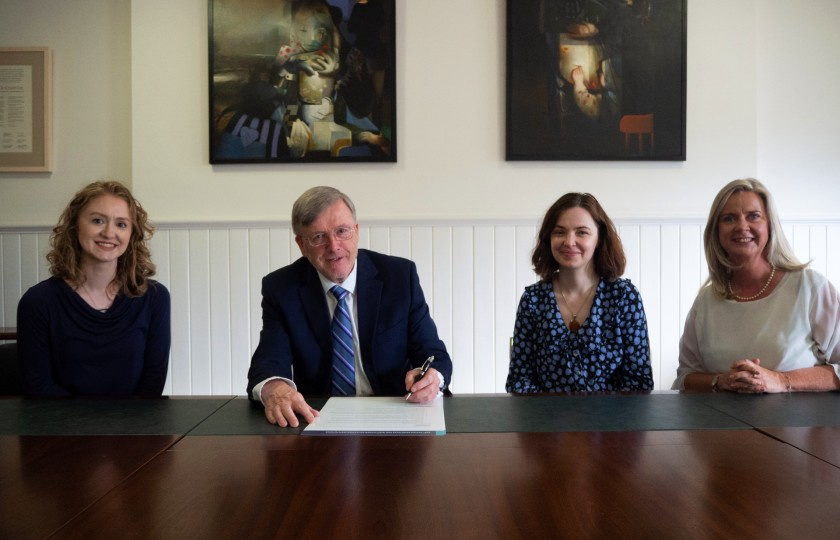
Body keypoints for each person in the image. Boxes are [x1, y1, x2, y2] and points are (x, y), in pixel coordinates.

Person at [247, 186, 453, 427]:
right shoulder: (282, 288)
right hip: (318, 418)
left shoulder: (399, 276)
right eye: (318, 237)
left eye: (342, 231)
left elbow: (433, 353)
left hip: (398, 415)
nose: (333, 246)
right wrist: (275, 388)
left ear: (356, 231)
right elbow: (270, 359)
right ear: (301, 245)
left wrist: (432, 378)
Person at [673, 178, 840, 393]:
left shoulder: (810, 287)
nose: (742, 226)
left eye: (753, 216)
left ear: (770, 225)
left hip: (801, 425)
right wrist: (721, 381)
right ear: (717, 232)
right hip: (720, 426)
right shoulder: (706, 301)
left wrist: (780, 381)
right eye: (729, 218)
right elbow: (685, 378)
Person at [17, 180, 171, 396]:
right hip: (60, 426)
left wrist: (123, 426)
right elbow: (38, 386)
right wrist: (90, 426)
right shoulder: (38, 301)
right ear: (75, 226)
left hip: (134, 426)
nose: (109, 233)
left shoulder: (155, 297)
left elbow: (152, 382)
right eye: (98, 220)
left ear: (131, 235)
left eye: (121, 224)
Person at [506, 193, 653, 393]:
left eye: (582, 232)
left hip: (613, 422)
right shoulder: (533, 300)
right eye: (559, 232)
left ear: (599, 239)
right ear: (548, 238)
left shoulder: (624, 297)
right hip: (546, 421)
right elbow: (519, 381)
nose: (569, 241)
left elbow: (639, 384)